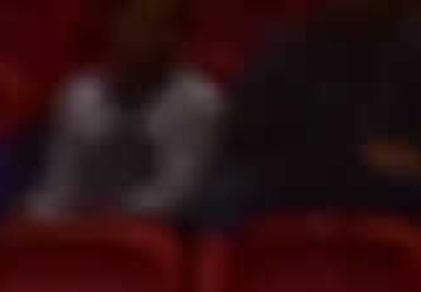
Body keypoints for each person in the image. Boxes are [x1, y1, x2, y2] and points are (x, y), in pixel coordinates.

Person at [195, 0, 421, 228]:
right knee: (223, 196)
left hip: (382, 180)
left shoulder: (409, 47)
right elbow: (247, 130)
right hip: (296, 171)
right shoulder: (293, 45)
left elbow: (394, 150)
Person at [24, 0, 226, 219]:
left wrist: (105, 219)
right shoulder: (79, 95)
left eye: (155, 26)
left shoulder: (198, 102)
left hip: (151, 233)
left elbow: (179, 193)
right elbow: (60, 185)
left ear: (178, 37)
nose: (140, 36)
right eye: (132, 23)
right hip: (76, 228)